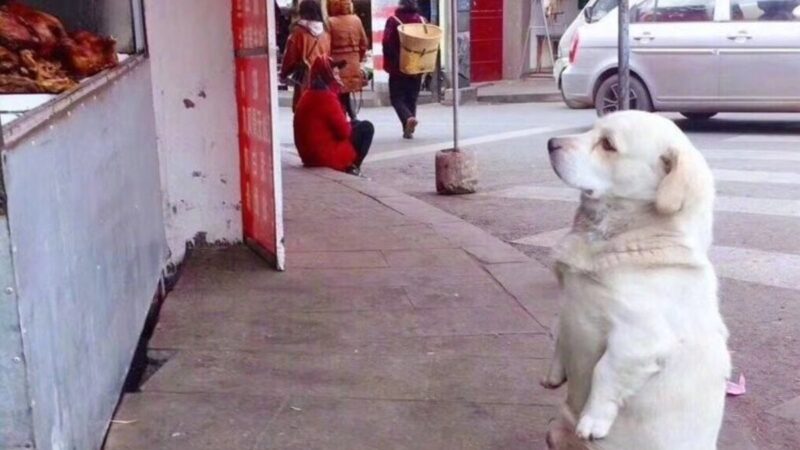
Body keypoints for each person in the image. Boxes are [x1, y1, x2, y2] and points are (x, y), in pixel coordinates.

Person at [294, 57, 374, 176]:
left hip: (309, 154)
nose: (338, 77)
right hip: (323, 157)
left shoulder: (307, 95)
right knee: (367, 127)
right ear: (327, 76)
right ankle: (351, 167)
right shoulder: (326, 98)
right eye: (335, 74)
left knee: (356, 124)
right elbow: (344, 132)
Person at [382, 0, 425, 139]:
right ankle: (408, 130)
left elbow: (386, 43)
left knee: (396, 98)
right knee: (411, 98)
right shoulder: (422, 20)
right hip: (416, 66)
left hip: (398, 67)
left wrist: (392, 61)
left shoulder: (393, 20)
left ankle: (407, 119)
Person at [279, 0, 330, 111]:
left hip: (304, 79)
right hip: (322, 80)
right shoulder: (325, 34)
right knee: (319, 111)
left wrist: (283, 74)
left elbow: (289, 56)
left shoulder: (298, 33)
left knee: (303, 111)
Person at [326, 0, 369, 120]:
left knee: (339, 92)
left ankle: (345, 119)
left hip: (337, 65)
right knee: (346, 93)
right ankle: (352, 118)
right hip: (353, 63)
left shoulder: (330, 22)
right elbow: (364, 43)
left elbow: (326, 46)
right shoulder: (356, 20)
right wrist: (357, 58)